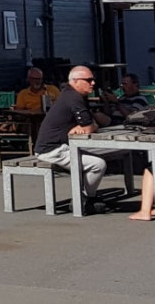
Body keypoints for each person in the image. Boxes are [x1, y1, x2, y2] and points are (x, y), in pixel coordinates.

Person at [34, 65, 120, 214]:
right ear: (75, 81)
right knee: (97, 164)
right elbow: (88, 127)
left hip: (61, 146)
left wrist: (90, 125)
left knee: (98, 156)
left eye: (93, 79)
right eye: (88, 80)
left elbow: (96, 123)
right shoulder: (73, 97)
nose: (93, 83)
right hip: (51, 149)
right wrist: (91, 125)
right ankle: (85, 199)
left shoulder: (73, 95)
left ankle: (85, 198)